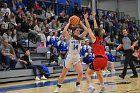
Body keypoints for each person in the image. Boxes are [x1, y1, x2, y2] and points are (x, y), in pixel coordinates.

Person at [54, 18, 88, 92]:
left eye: (79, 30)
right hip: (70, 56)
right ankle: (58, 87)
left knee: (81, 73)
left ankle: (78, 85)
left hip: (76, 56)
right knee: (63, 74)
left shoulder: (80, 37)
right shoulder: (70, 37)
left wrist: (80, 22)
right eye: (77, 30)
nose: (79, 31)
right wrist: (69, 23)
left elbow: (86, 30)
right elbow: (64, 31)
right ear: (73, 31)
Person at [84, 12, 108, 93]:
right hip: (105, 59)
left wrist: (85, 19)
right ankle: (103, 87)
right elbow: (96, 28)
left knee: (87, 74)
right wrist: (94, 18)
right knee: (98, 73)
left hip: (98, 59)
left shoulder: (94, 38)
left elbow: (88, 28)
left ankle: (91, 87)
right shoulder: (101, 39)